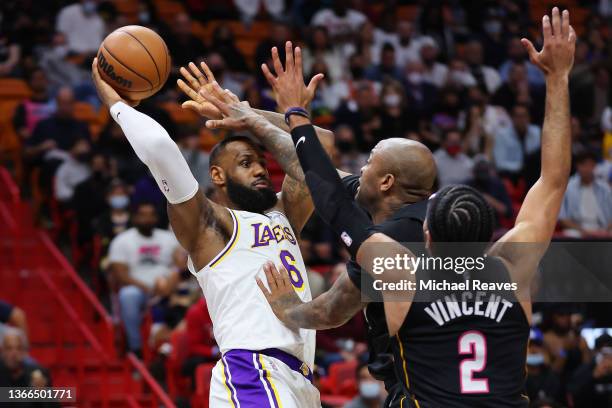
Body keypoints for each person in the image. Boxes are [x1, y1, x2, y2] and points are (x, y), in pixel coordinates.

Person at [261, 8, 575, 407]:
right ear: (489, 235)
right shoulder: (513, 270)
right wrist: (558, 78)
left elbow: (334, 203)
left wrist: (295, 115)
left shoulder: (403, 274)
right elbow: (554, 179)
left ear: (427, 234)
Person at [93, 45, 331, 405]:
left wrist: (241, 112)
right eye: (247, 162)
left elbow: (321, 146)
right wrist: (117, 105)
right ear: (217, 174)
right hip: (254, 369)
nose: (260, 170)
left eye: (263, 164)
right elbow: (159, 147)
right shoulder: (210, 224)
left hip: (298, 379)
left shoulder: (285, 214)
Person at [235, 40, 435, 407]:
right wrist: (249, 118)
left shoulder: (394, 242)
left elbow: (331, 311)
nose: (361, 168)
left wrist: (286, 307)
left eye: (370, 162)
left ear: (387, 182)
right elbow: (315, 174)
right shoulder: (413, 214)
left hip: (423, 393)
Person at [107, 202, 180, 356]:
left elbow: (180, 266)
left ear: (155, 218)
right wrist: (149, 288)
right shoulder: (122, 240)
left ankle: (174, 348)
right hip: (139, 289)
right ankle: (136, 348)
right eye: (142, 215)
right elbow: (121, 275)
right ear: (135, 217)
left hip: (167, 287)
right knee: (127, 295)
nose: (147, 219)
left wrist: (169, 285)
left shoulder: (169, 238)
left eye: (150, 215)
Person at [559, 151, 612, 237]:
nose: (587, 169)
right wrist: (582, 230)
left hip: (602, 228)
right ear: (578, 166)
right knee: (570, 234)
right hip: (578, 230)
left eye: (590, 165)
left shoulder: (605, 188)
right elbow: (562, 218)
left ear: (595, 166)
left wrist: (605, 230)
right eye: (583, 165)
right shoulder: (568, 187)